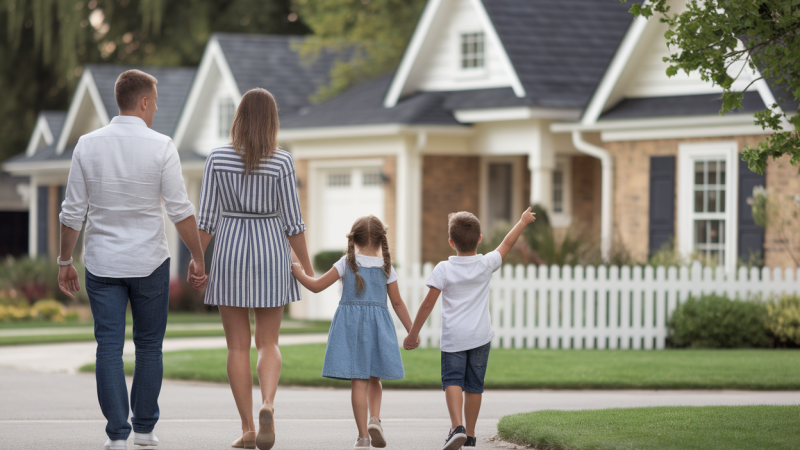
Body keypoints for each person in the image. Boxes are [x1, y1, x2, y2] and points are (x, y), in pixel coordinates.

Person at [57, 69, 208, 450]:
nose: (156, 109)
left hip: (103, 263)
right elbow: (180, 210)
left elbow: (72, 212)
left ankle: (117, 437)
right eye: (154, 102)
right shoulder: (162, 146)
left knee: (108, 346)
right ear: (142, 102)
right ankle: (143, 430)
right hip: (150, 262)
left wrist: (64, 260)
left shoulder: (87, 145)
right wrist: (198, 257)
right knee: (148, 346)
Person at [190, 88, 314, 450]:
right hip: (271, 249)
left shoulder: (216, 158)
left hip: (229, 249)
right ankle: (268, 404)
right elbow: (294, 222)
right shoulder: (282, 161)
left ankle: (247, 428)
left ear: (239, 117)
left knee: (237, 347)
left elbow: (207, 220)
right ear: (272, 121)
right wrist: (307, 270)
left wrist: (197, 260)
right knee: (268, 341)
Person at [403, 208, 536, 450]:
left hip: (454, 337)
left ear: (451, 242)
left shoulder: (443, 269)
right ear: (480, 239)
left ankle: (457, 428)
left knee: (453, 380)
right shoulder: (486, 264)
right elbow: (507, 242)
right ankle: (471, 436)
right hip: (480, 337)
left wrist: (413, 333)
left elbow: (427, 304)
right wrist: (522, 221)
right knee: (474, 386)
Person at [289, 215, 417, 449]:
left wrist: (297, 271)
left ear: (353, 239)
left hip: (351, 328)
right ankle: (375, 419)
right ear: (381, 239)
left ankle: (363, 437)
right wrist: (412, 331)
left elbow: (316, 287)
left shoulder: (345, 262)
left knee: (359, 381)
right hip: (379, 326)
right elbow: (398, 303)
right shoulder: (387, 267)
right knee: (375, 377)